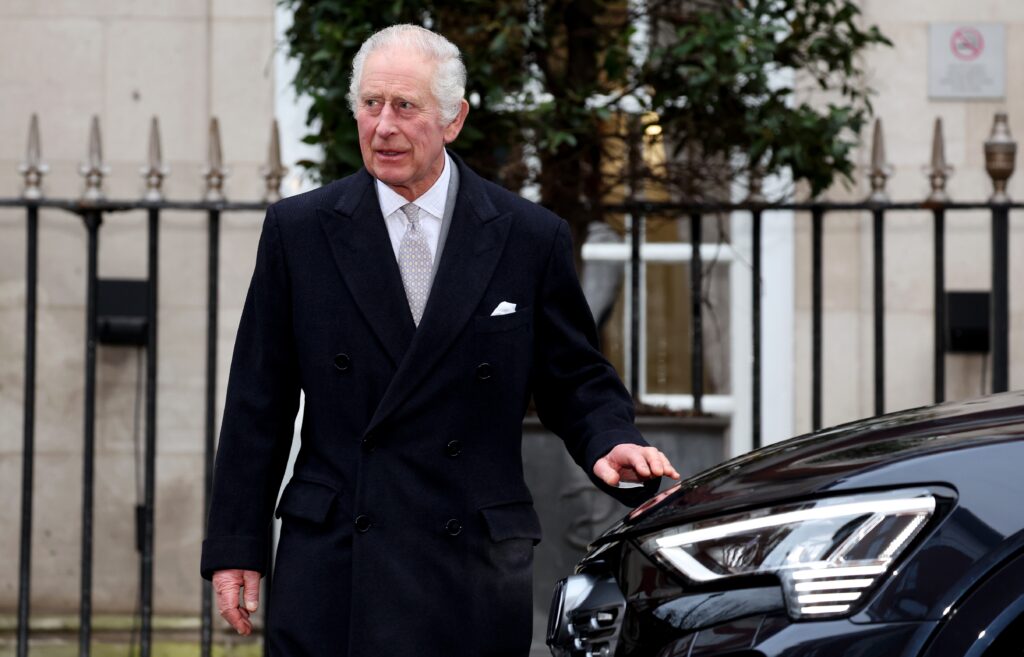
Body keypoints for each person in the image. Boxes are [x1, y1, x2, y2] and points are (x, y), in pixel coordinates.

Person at [201, 23, 680, 657]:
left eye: (405, 106)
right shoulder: (301, 231)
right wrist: (237, 546)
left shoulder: (527, 236)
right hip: (338, 559)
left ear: (454, 119)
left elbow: (575, 378)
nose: (384, 126)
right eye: (371, 104)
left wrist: (613, 440)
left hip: (470, 562)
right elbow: (256, 401)